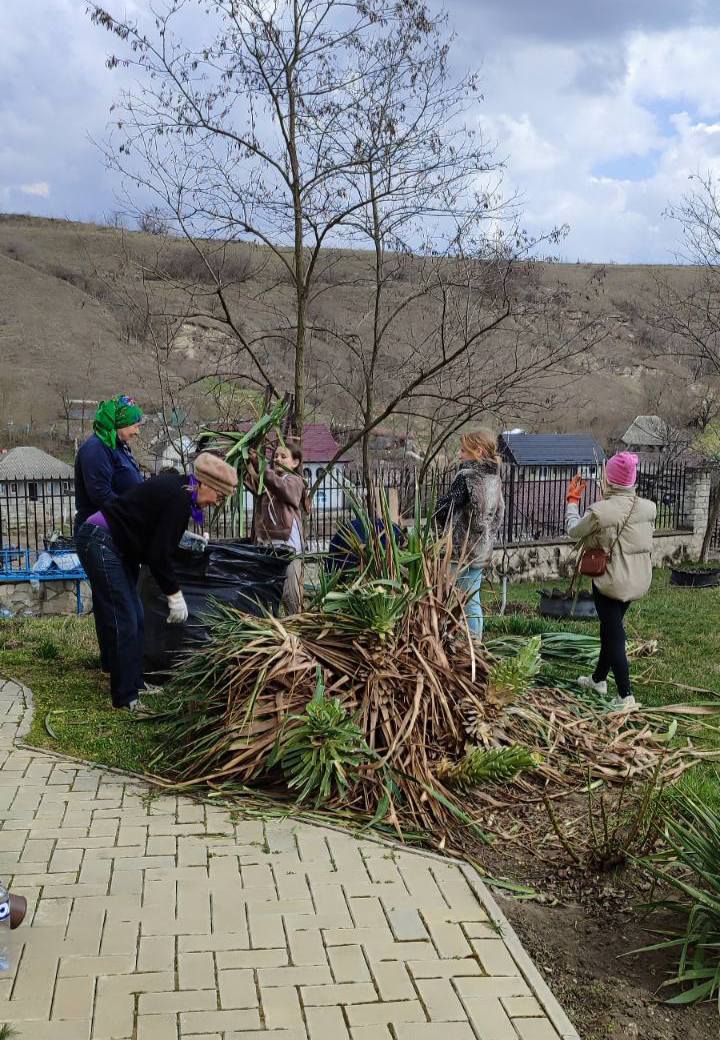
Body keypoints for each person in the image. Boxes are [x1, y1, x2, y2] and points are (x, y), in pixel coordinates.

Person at [75, 453, 238, 711]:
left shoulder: (179, 492)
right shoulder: (179, 499)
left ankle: (136, 684)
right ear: (205, 484)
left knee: (137, 616)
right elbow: (158, 555)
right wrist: (175, 596)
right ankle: (125, 698)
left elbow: (158, 536)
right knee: (124, 619)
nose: (216, 502)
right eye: (219, 495)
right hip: (100, 540)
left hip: (117, 543)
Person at [565, 452, 656, 712]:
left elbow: (574, 530)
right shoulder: (649, 507)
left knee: (614, 632)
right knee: (610, 627)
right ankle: (598, 680)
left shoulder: (601, 511)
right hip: (638, 578)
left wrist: (572, 502)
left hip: (611, 580)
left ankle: (626, 695)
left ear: (610, 479)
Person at [435, 430, 505, 641]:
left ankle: (469, 645)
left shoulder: (467, 477)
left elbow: (446, 509)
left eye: (463, 450)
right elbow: (500, 512)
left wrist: (436, 512)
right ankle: (475, 643)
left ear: (478, 451)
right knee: (472, 599)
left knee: (460, 601)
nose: (459, 455)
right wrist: (487, 535)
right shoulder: (494, 477)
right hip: (481, 549)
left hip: (460, 550)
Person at [244, 440, 311, 614]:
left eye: (283, 456)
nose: (278, 459)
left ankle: (294, 631)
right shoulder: (269, 481)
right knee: (267, 593)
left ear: (295, 462)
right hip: (268, 546)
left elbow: (281, 488)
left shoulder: (295, 481)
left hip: (289, 547)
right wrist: (247, 459)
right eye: (275, 456)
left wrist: (260, 465)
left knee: (290, 595)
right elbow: (254, 482)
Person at [75, 395, 144, 531]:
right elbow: (101, 495)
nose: (138, 432)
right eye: (135, 426)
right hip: (98, 533)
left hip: (117, 526)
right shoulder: (96, 449)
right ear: (121, 423)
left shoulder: (116, 446)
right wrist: (132, 512)